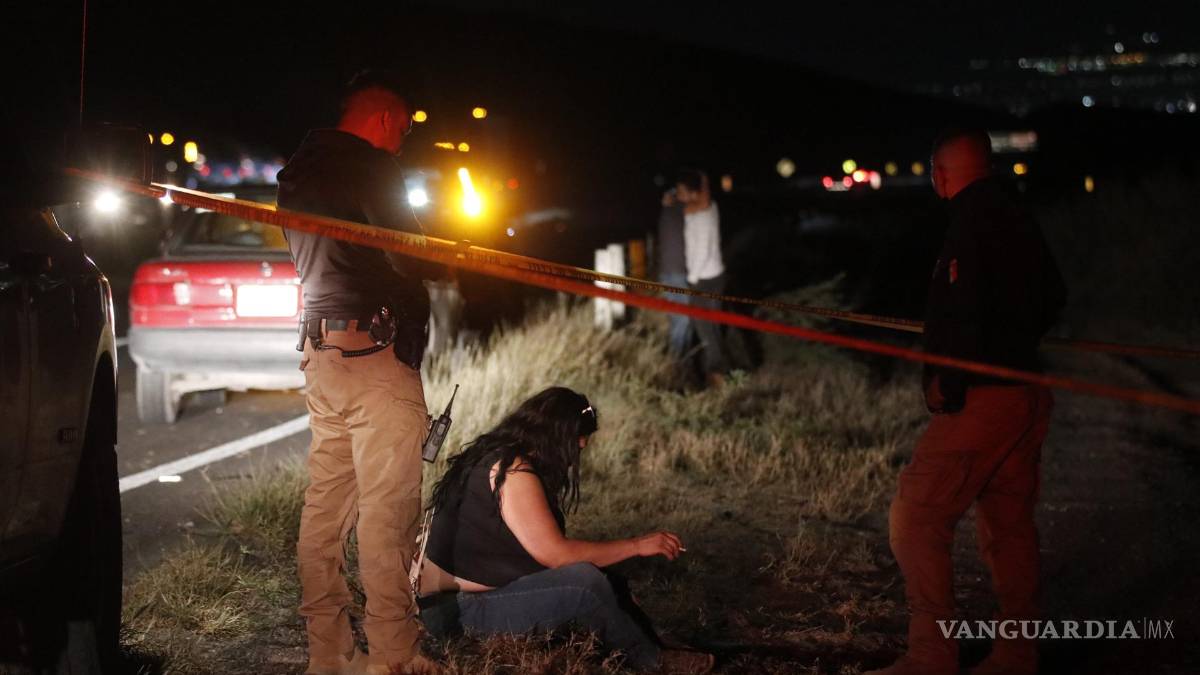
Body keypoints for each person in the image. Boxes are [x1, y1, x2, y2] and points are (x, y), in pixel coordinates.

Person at [867, 130, 1066, 675]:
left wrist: (949, 381)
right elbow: (1054, 295)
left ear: (942, 174)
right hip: (1025, 393)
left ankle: (932, 654)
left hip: (986, 400)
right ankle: (1017, 653)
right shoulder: (1014, 214)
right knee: (1008, 527)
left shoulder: (971, 222)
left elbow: (963, 311)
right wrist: (1015, 342)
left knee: (917, 515)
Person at [278, 70, 441, 675]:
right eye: (400, 130)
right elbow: (409, 250)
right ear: (381, 120)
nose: (400, 142)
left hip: (321, 357)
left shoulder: (297, 171)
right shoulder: (373, 167)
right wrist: (451, 257)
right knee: (387, 511)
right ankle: (394, 655)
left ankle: (328, 654)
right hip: (375, 361)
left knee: (325, 511)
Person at [415, 387, 714, 674]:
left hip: (455, 604)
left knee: (608, 580)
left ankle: (650, 639)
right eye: (574, 446)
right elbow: (557, 555)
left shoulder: (498, 455)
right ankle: (654, 661)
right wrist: (637, 545)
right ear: (555, 437)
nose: (573, 458)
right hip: (457, 613)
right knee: (584, 582)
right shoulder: (512, 472)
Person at [678, 169, 730, 386]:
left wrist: (692, 279)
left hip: (705, 278)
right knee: (711, 324)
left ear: (694, 193)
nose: (679, 195)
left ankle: (717, 372)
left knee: (704, 325)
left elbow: (702, 250)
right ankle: (718, 370)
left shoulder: (701, 214)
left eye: (682, 191)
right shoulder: (705, 208)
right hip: (712, 275)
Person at [656, 185, 692, 360]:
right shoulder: (678, 211)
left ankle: (679, 358)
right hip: (677, 273)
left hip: (669, 272)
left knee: (678, 318)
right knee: (684, 318)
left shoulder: (668, 212)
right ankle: (677, 358)